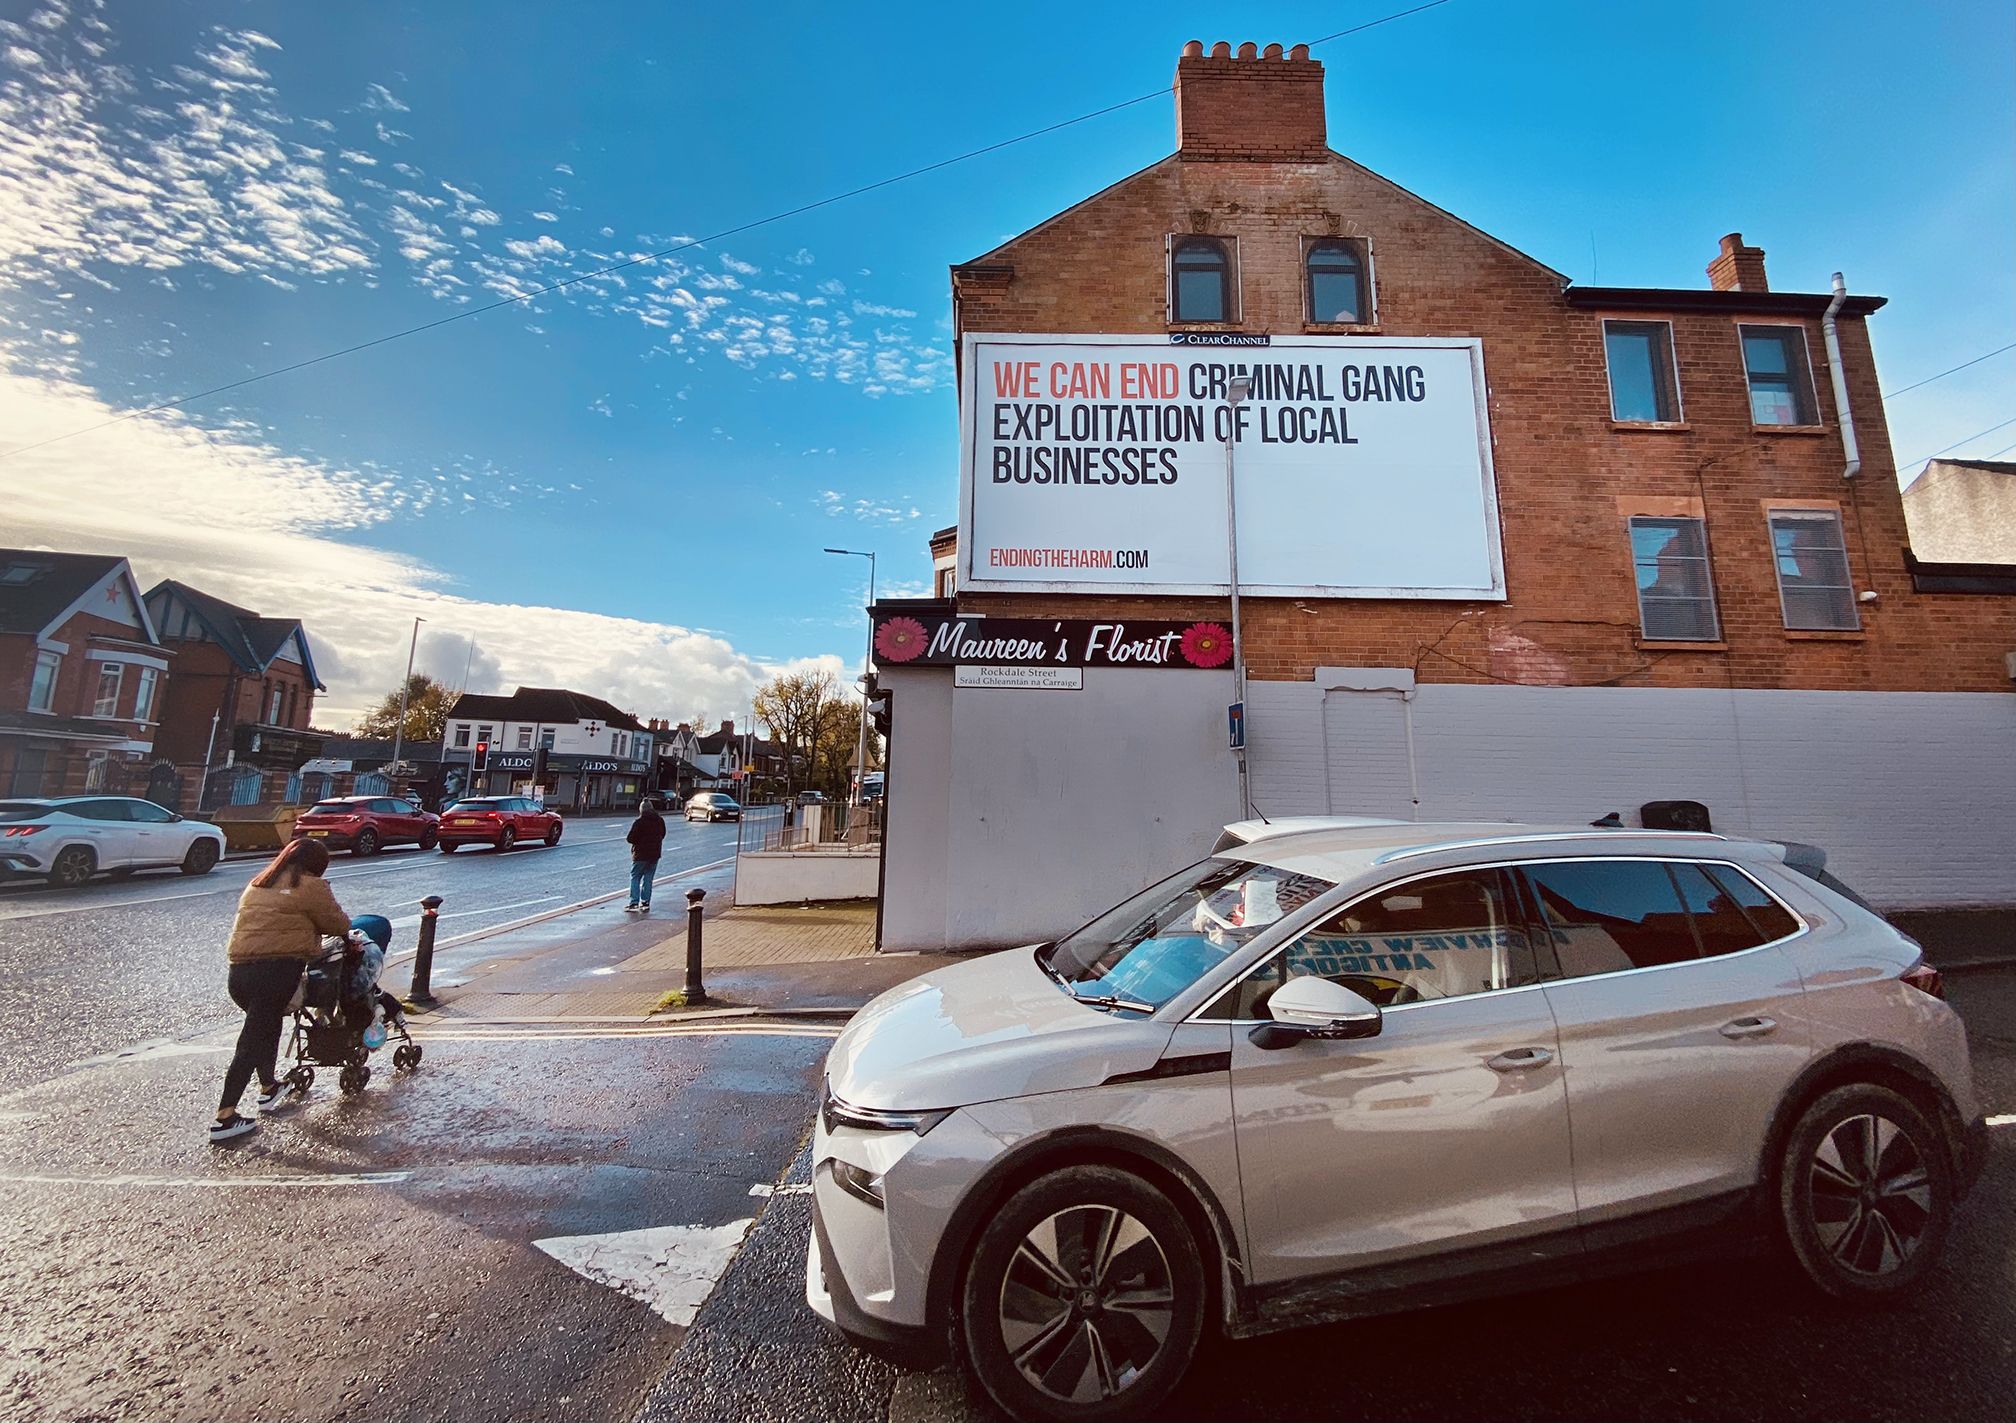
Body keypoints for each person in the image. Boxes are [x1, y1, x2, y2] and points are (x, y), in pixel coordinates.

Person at [210, 838, 354, 1143]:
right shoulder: (310, 885)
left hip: (239, 973)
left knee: (266, 1026)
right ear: (317, 864)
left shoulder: (259, 882)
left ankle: (269, 1086)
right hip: (275, 973)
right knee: (249, 1044)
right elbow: (339, 923)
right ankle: (225, 1117)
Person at [624, 796, 666, 913]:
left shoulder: (639, 822)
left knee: (635, 877)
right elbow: (663, 834)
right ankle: (646, 902)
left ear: (641, 810)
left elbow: (630, 838)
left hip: (640, 854)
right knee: (648, 878)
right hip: (655, 854)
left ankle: (634, 902)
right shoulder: (659, 820)